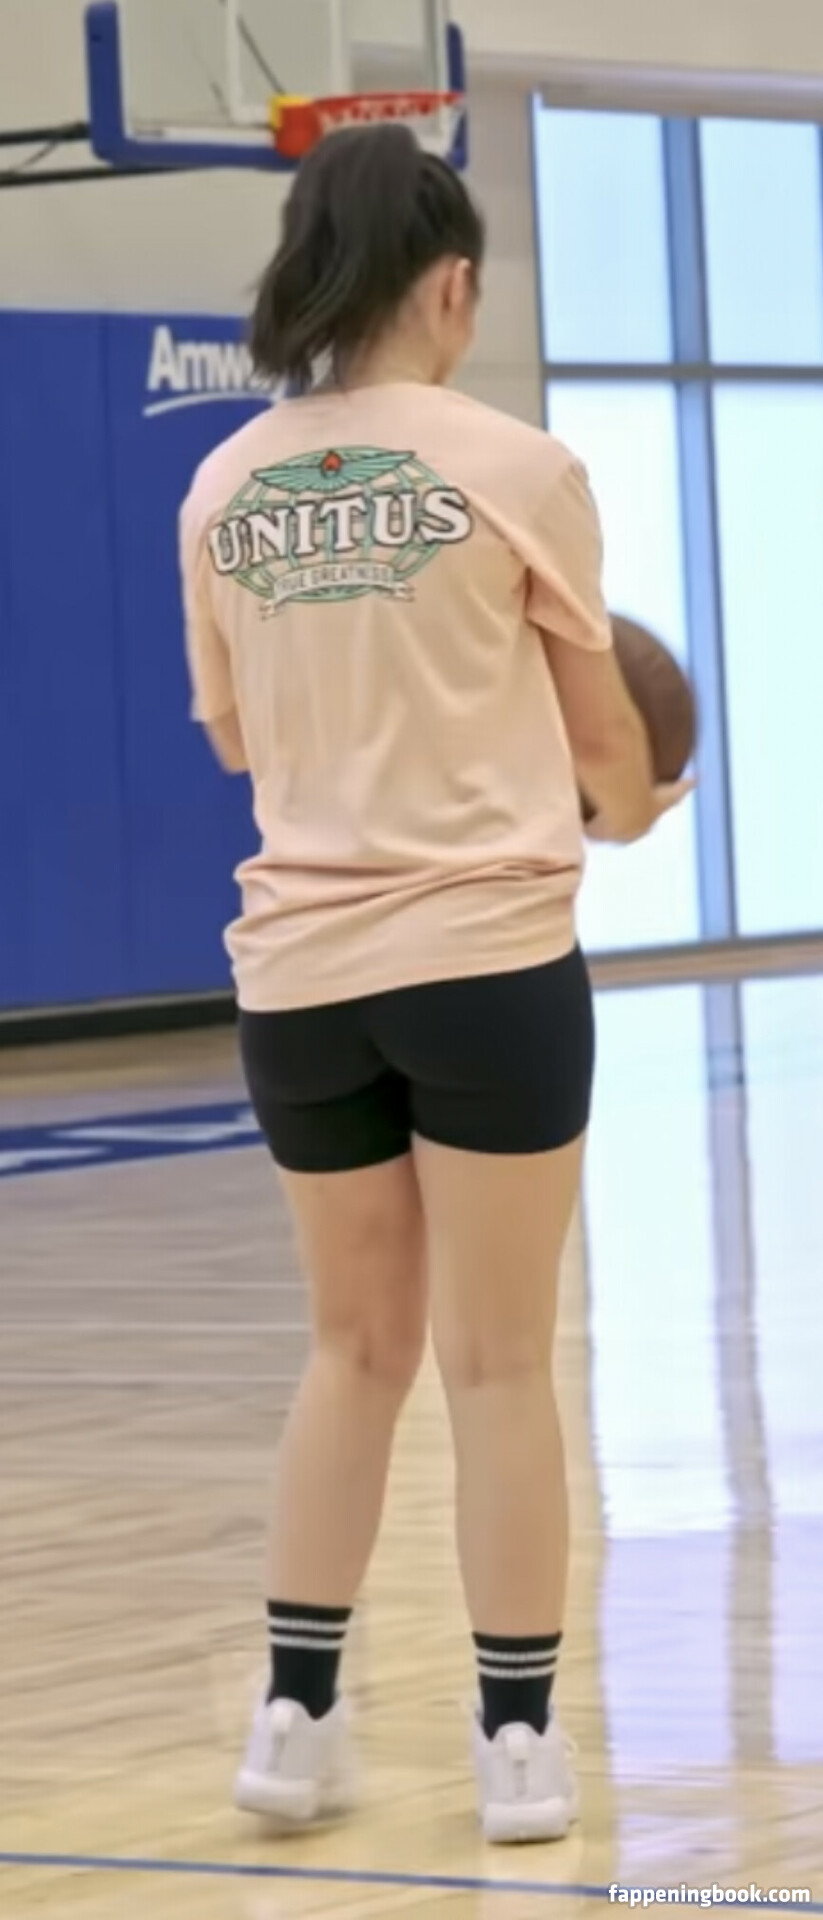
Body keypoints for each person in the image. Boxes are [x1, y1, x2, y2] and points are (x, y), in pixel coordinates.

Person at [179, 123, 691, 1846]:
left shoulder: (221, 486)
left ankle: (293, 1721)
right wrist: (631, 806)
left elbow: (239, 742)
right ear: (454, 284)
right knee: (495, 1360)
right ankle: (519, 1746)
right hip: (485, 964)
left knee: (353, 1348)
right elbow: (605, 745)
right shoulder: (519, 467)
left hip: (299, 977)